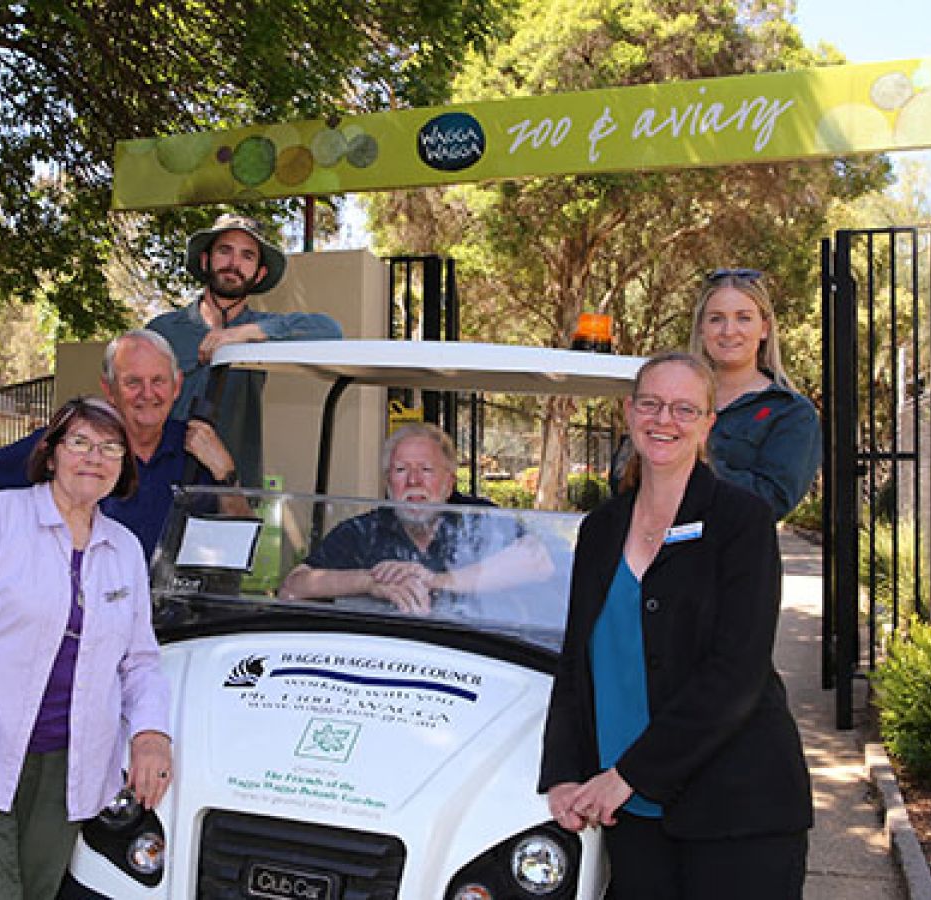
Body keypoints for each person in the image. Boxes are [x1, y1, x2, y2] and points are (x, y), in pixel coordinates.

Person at [539, 352, 812, 899]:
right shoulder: (601, 528)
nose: (664, 420)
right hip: (631, 813)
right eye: (651, 404)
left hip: (737, 808)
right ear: (628, 411)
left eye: (684, 408)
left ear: (709, 422)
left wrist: (629, 774)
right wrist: (565, 773)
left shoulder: (741, 521)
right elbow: (576, 663)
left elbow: (737, 671)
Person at [0, 398, 173, 899]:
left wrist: (151, 732)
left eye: (110, 448)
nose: (94, 458)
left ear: (124, 465)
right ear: (52, 453)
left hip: (63, 773)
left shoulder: (123, 548)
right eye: (80, 442)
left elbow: (140, 660)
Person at [0, 329, 246, 561]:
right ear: (108, 389)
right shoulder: (70, 444)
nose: (147, 394)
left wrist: (226, 472)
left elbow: (239, 545)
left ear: (177, 386)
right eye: (132, 382)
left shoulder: (197, 447)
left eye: (158, 381)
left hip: (176, 627)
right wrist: (13, 560)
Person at [147, 212, 342, 487]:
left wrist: (245, 334)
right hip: (159, 485)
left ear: (259, 274)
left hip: (230, 491)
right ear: (205, 260)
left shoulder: (262, 330)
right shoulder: (163, 330)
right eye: (224, 251)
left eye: (247, 256)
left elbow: (330, 332)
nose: (233, 263)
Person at [279, 422, 553, 616]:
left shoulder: (478, 520)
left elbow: (539, 561)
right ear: (388, 483)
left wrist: (437, 580)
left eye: (426, 469)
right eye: (401, 470)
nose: (414, 480)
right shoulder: (363, 531)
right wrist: (371, 582)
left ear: (448, 483)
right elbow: (292, 588)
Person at [689, 267, 822, 519]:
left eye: (743, 317)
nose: (729, 330)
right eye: (716, 318)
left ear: (764, 328)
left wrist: (691, 462)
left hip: (734, 555)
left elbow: (771, 501)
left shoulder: (792, 412)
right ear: (701, 328)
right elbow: (625, 477)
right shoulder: (671, 398)